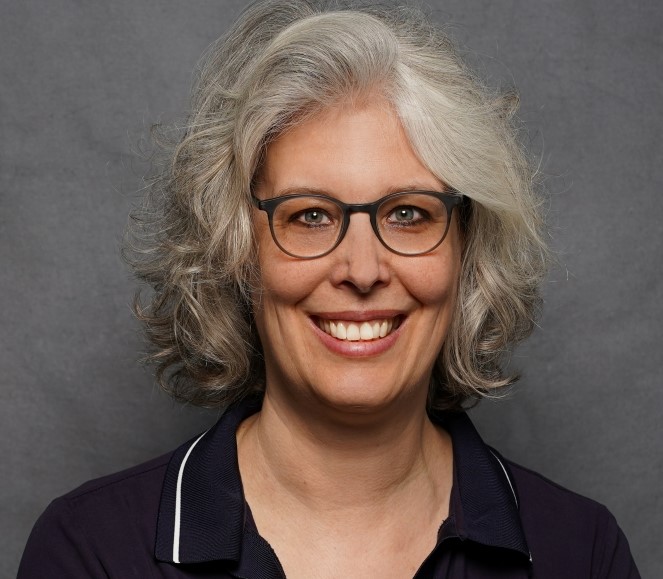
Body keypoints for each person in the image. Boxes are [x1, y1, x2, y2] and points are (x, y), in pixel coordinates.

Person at [18, 0, 640, 577]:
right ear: (236, 250)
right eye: (310, 215)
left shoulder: (581, 551)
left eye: (408, 214)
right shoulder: (91, 552)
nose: (362, 270)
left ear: (466, 248)